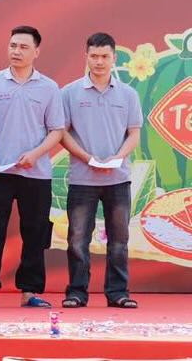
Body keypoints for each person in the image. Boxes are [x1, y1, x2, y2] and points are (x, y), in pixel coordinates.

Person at [0, 25, 65, 309]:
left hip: (36, 172)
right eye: (12, 46)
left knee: (35, 232)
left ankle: (30, 291)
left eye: (23, 47)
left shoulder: (48, 87)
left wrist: (35, 154)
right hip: (0, 171)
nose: (16, 51)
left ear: (36, 51)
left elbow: (56, 130)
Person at [59, 32, 142, 309]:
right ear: (86, 56)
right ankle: (76, 292)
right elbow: (62, 133)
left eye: (104, 56)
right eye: (94, 56)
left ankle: (118, 292)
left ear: (114, 58)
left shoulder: (128, 93)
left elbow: (134, 133)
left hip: (118, 179)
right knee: (77, 240)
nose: (99, 62)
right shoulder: (69, 93)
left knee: (119, 240)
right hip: (83, 179)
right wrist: (86, 157)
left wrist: (118, 158)